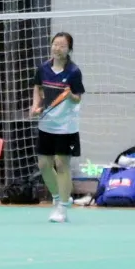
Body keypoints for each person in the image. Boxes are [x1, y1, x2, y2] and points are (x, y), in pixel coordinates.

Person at [30, 31, 84, 223]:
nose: (57, 48)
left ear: (69, 49)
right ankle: (58, 196)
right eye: (55, 44)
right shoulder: (43, 68)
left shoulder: (73, 72)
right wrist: (35, 105)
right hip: (46, 124)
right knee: (44, 165)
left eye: (62, 45)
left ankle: (62, 207)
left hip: (66, 127)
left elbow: (78, 99)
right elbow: (38, 87)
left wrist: (70, 96)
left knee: (61, 164)